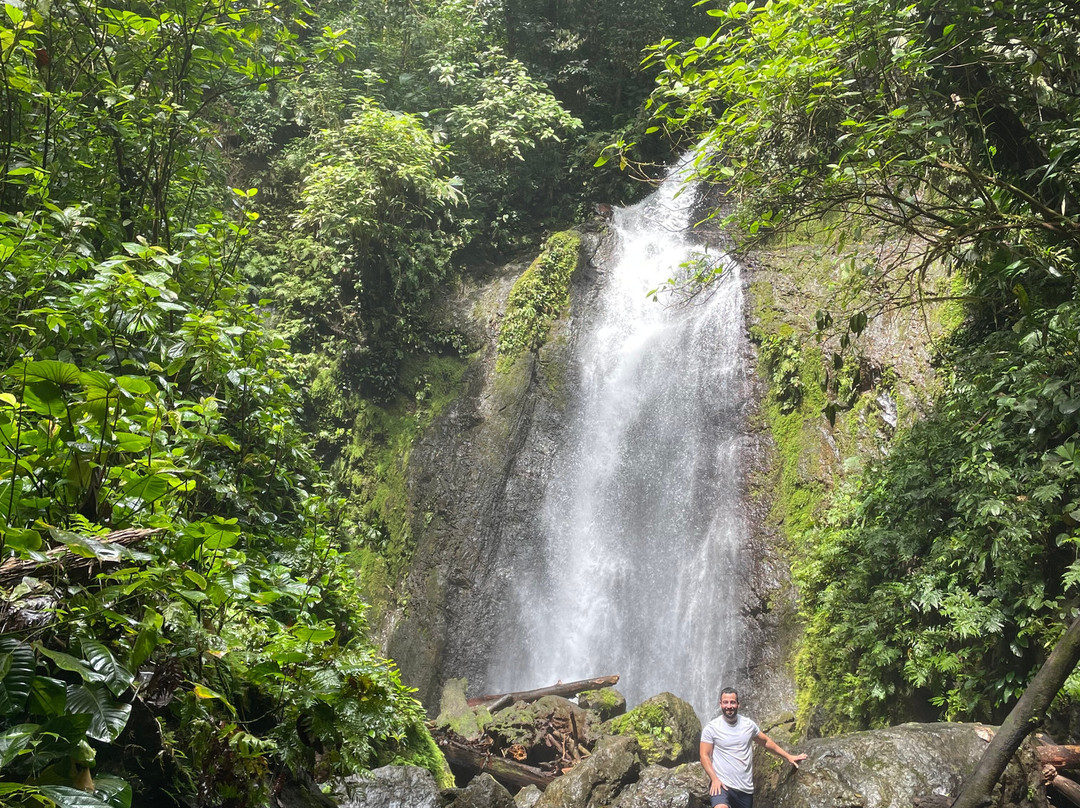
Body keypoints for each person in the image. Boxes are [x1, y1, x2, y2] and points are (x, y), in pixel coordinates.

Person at [699, 687, 807, 808]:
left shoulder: (748, 725)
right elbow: (704, 755)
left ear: (738, 704)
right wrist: (714, 779)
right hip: (722, 785)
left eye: (732, 702)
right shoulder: (711, 728)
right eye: (725, 702)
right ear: (720, 704)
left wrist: (788, 756)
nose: (729, 706)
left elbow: (766, 742)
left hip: (745, 789)